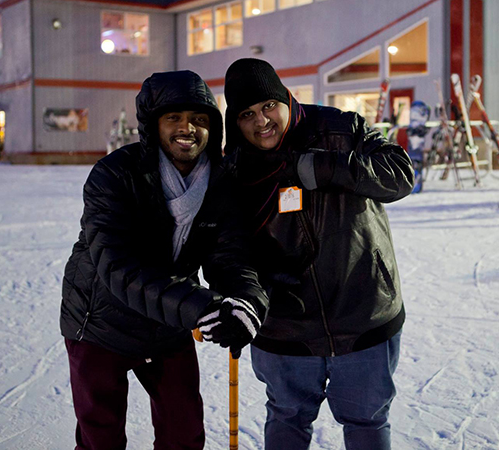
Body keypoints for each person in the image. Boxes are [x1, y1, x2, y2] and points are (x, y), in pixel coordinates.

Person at [60, 70, 269, 449]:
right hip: (99, 322)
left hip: (168, 322)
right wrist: (198, 306)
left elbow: (231, 256)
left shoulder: (220, 182)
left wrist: (246, 301)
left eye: (199, 120)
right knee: (100, 437)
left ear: (213, 128)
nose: (187, 128)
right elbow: (116, 266)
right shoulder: (114, 175)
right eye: (174, 118)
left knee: (183, 432)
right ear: (152, 125)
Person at [222, 58, 413, 450]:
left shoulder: (341, 128)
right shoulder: (234, 170)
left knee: (367, 422)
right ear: (234, 123)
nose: (262, 121)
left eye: (269, 106)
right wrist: (250, 292)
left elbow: (400, 174)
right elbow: (227, 247)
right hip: (284, 330)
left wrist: (327, 168)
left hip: (363, 317)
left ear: (286, 100)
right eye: (247, 114)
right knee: (287, 420)